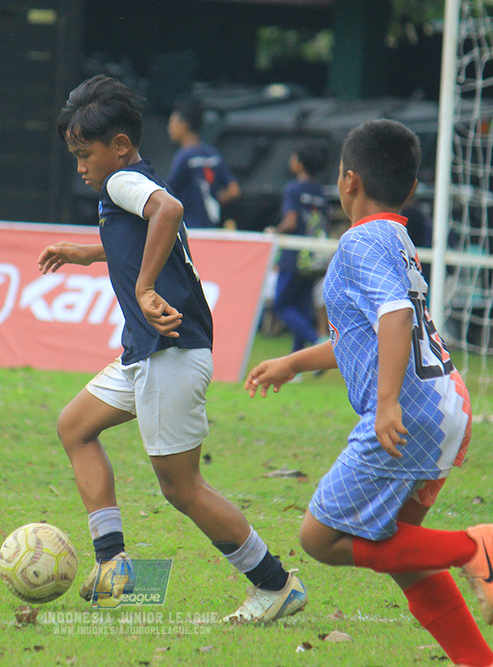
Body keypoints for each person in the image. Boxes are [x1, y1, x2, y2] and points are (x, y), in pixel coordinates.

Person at [37, 74, 306, 623]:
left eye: (84, 154)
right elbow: (138, 233)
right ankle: (115, 566)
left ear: (118, 146)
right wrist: (87, 253)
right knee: (74, 426)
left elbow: (170, 212)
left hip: (171, 351)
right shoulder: (129, 180)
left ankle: (275, 584)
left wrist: (142, 289)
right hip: (148, 350)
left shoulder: (123, 183)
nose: (80, 167)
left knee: (181, 489)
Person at [246, 120, 493, 667]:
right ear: (410, 190)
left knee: (319, 538)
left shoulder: (360, 241)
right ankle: (483, 664)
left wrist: (385, 404)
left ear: (347, 181)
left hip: (408, 412)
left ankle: (471, 546)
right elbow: (363, 334)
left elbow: (391, 317)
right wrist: (294, 362)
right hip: (443, 405)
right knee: (403, 554)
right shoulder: (395, 238)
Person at [270, 139, 331, 354]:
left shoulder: (293, 189)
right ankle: (297, 362)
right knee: (302, 308)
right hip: (313, 258)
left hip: (293, 256)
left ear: (301, 163)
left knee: (282, 304)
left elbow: (291, 221)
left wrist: (274, 232)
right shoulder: (320, 192)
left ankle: (317, 339)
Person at [165, 97, 239, 229]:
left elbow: (167, 193)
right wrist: (212, 200)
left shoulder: (184, 157)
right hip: (211, 228)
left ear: (184, 124)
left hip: (190, 229)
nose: (169, 127)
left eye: (172, 122)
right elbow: (234, 190)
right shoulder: (213, 154)